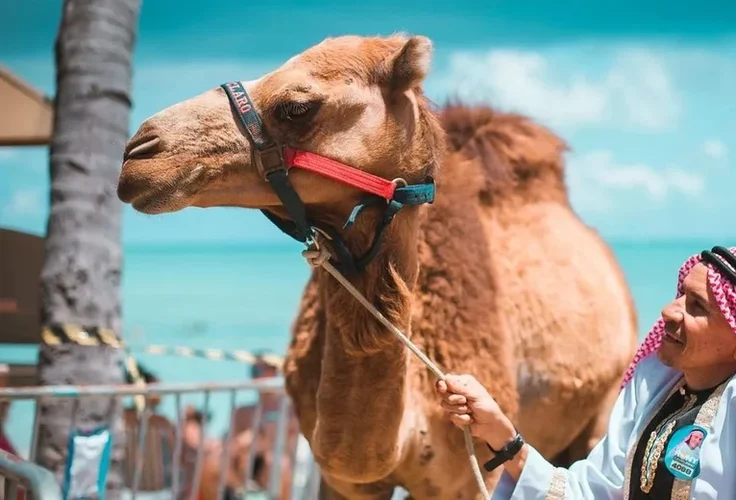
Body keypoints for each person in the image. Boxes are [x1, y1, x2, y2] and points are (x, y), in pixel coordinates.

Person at [436, 245, 736, 499]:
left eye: (698, 306)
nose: (670, 310)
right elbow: (588, 491)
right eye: (682, 294)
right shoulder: (653, 382)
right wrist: (498, 431)